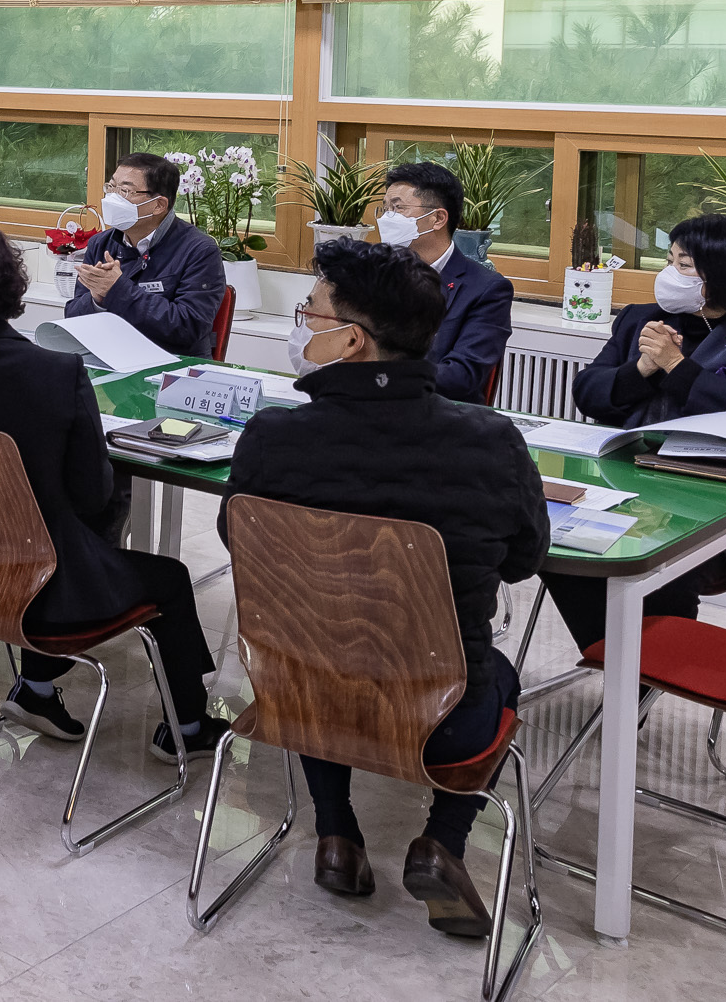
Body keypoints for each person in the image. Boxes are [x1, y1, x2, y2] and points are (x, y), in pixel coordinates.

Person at [225, 239, 548, 938]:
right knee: (500, 672)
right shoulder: (491, 441)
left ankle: (337, 833)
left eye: (308, 311)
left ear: (351, 338)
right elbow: (526, 558)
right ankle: (443, 842)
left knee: (316, 641)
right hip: (445, 715)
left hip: (298, 693)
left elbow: (239, 542)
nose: (299, 324)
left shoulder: (273, 437)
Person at [0, 222, 218, 756]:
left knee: (53, 538)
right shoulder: (57, 373)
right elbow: (92, 496)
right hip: (40, 581)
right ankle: (191, 728)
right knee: (171, 577)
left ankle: (38, 689)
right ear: (13, 288)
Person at [541, 213, 726, 652]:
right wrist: (642, 369)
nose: (669, 275)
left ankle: (643, 671)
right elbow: (588, 393)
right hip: (626, 484)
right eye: (669, 261)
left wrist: (676, 366)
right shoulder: (640, 320)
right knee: (551, 545)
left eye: (684, 266)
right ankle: (619, 661)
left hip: (718, 495)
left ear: (724, 277)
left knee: (650, 564)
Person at [63, 151, 227, 358]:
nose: (112, 197)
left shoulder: (199, 250)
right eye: (111, 187)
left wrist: (117, 289)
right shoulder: (101, 243)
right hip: (112, 358)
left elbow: (188, 328)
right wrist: (97, 298)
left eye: (125, 190)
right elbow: (74, 320)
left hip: (172, 366)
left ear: (159, 205)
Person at [379, 161, 514, 403]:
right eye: (385, 209)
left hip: (438, 418)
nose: (387, 218)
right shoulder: (374, 274)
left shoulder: (486, 289)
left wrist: (381, 377)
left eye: (398, 209)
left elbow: (461, 376)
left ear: (438, 218)